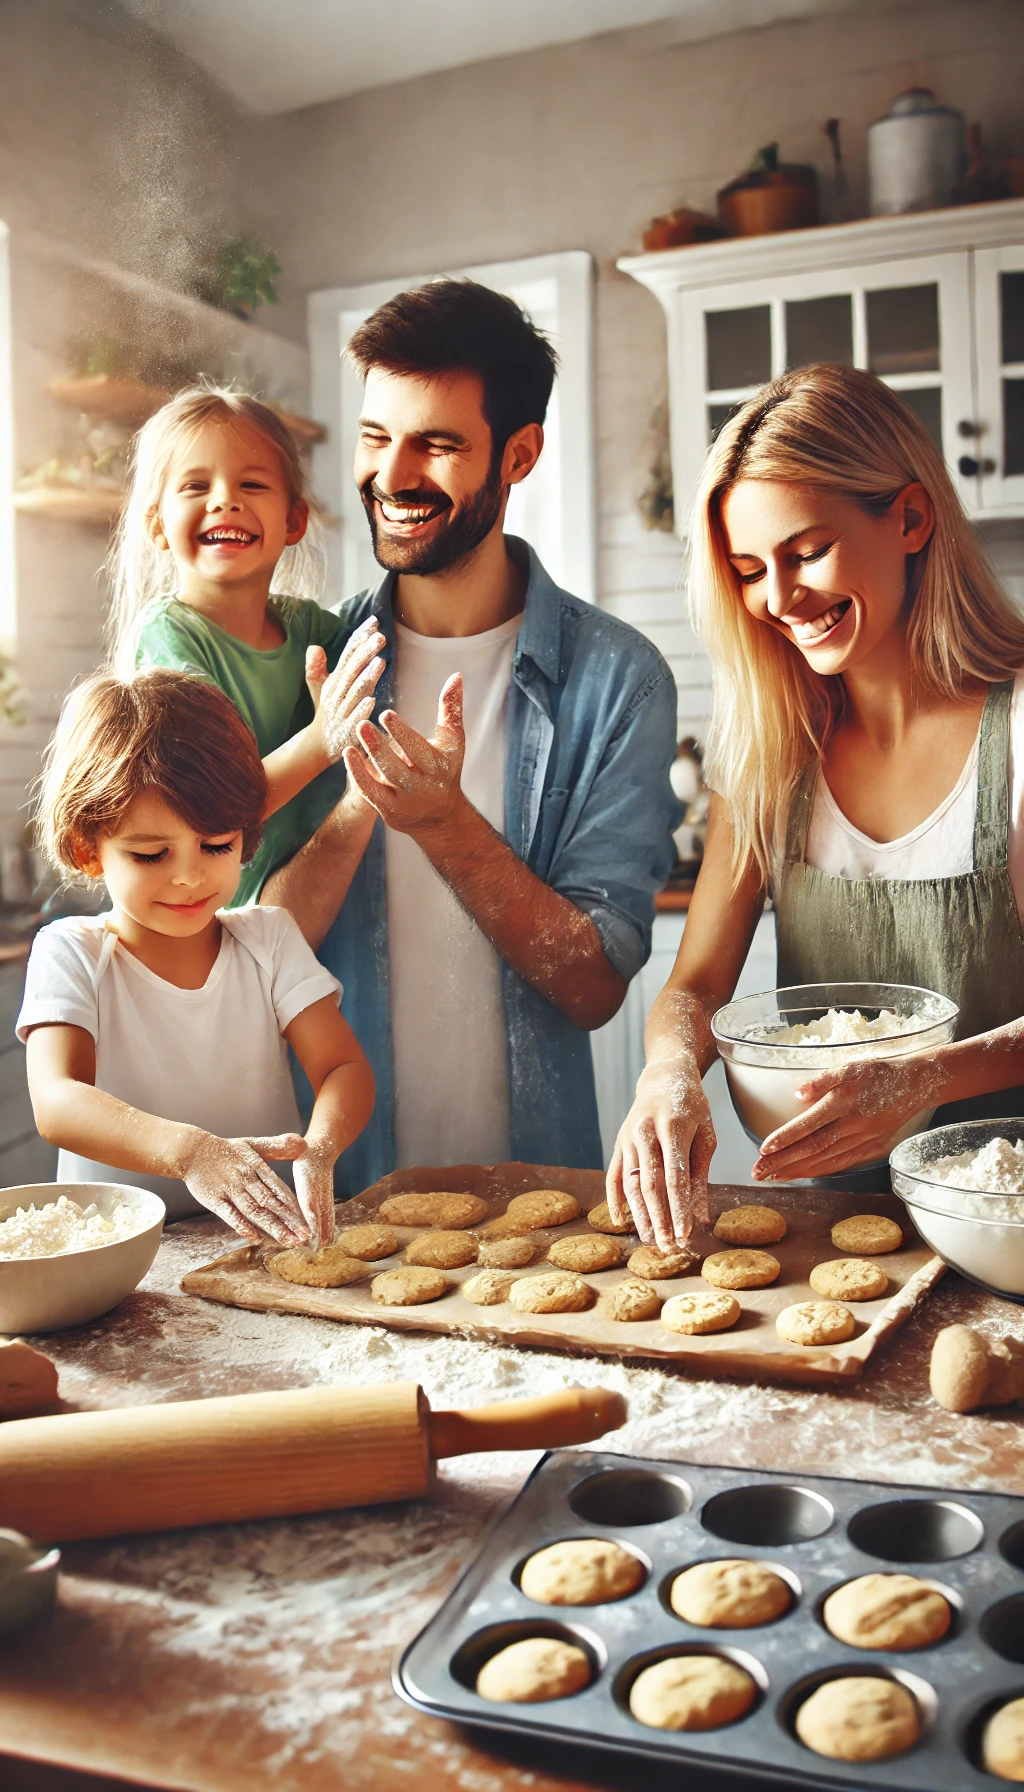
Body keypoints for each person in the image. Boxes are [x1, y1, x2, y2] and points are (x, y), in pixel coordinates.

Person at [262, 278, 681, 1193]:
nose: (395, 476)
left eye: (438, 444)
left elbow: (594, 987)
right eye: (376, 438)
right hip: (338, 1193)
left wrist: (444, 823)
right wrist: (359, 811)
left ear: (519, 454)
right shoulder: (306, 663)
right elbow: (249, 954)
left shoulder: (619, 680)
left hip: (538, 1207)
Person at [609, 362, 1024, 1251]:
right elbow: (695, 985)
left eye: (805, 552)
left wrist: (928, 1077)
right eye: (750, 569)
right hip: (828, 1222)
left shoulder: (1016, 732)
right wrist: (670, 1072)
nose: (779, 599)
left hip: (1002, 1222)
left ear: (910, 518)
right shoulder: (772, 749)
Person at [18, 670, 375, 1244]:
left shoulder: (269, 941)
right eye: (151, 854)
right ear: (89, 851)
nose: (188, 876)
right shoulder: (74, 952)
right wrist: (191, 1153)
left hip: (258, 1242)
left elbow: (343, 1069)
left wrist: (319, 1148)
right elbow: (58, 1102)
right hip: (124, 1261)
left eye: (216, 846)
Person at [108, 386, 386, 905]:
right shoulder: (169, 637)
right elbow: (210, 811)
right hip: (206, 919)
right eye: (195, 485)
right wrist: (321, 740)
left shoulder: (311, 629)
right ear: (157, 526)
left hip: (304, 910)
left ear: (294, 522)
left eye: (252, 483)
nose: (224, 500)